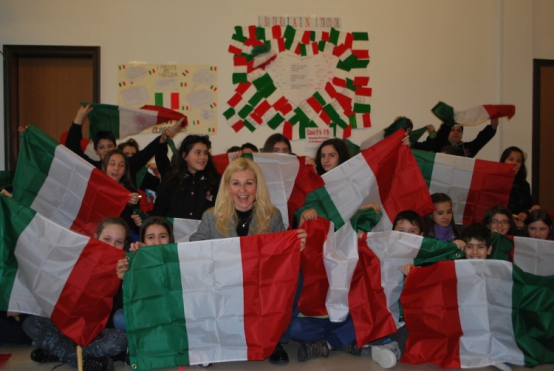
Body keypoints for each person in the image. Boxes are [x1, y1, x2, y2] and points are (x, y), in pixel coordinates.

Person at [189, 157, 307, 365]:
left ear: (257, 186)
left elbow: (283, 256)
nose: (242, 189)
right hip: (224, 285)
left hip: (260, 286)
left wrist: (297, 246)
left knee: (295, 276)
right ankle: (211, 339)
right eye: (236, 183)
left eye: (248, 183)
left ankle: (274, 340)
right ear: (227, 187)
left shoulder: (272, 216)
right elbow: (194, 247)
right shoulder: (211, 216)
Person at [23, 217, 130, 370]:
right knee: (31, 323)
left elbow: (121, 312)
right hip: (71, 325)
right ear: (95, 238)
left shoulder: (126, 267)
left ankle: (61, 352)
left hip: (99, 332)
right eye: (107, 239)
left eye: (118, 242)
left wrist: (124, 281)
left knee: (121, 340)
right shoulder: (79, 260)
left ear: (124, 245)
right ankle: (83, 359)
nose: (112, 246)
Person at [67, 104, 179, 189]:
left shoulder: (128, 165)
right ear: (96, 151)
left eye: (109, 146)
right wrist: (79, 118)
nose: (106, 150)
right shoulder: (93, 168)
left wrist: (163, 138)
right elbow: (72, 149)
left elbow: (147, 152)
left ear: (115, 147)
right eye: (101, 147)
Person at [113, 216, 175, 331]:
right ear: (143, 241)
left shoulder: (179, 260)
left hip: (172, 313)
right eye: (150, 237)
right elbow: (128, 304)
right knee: (120, 318)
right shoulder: (135, 259)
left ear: (170, 239)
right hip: (146, 313)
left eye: (162, 236)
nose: (157, 242)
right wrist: (124, 280)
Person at [149, 135, 220, 220]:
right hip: (174, 232)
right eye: (197, 152)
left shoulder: (215, 180)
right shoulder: (172, 179)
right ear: (185, 155)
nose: (203, 157)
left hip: (206, 232)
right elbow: (159, 212)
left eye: (205, 153)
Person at [101, 149, 140, 235]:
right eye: (112, 164)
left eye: (121, 165)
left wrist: (132, 201)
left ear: (125, 170)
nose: (116, 168)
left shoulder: (130, 191)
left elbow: (135, 213)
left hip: (123, 235)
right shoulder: (97, 187)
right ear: (103, 167)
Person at [500, 146, 536, 226]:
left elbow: (527, 205)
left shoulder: (524, 185)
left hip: (519, 225)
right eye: (511, 159)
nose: (515, 163)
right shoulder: (494, 182)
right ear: (503, 161)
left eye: (519, 161)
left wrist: (524, 213)